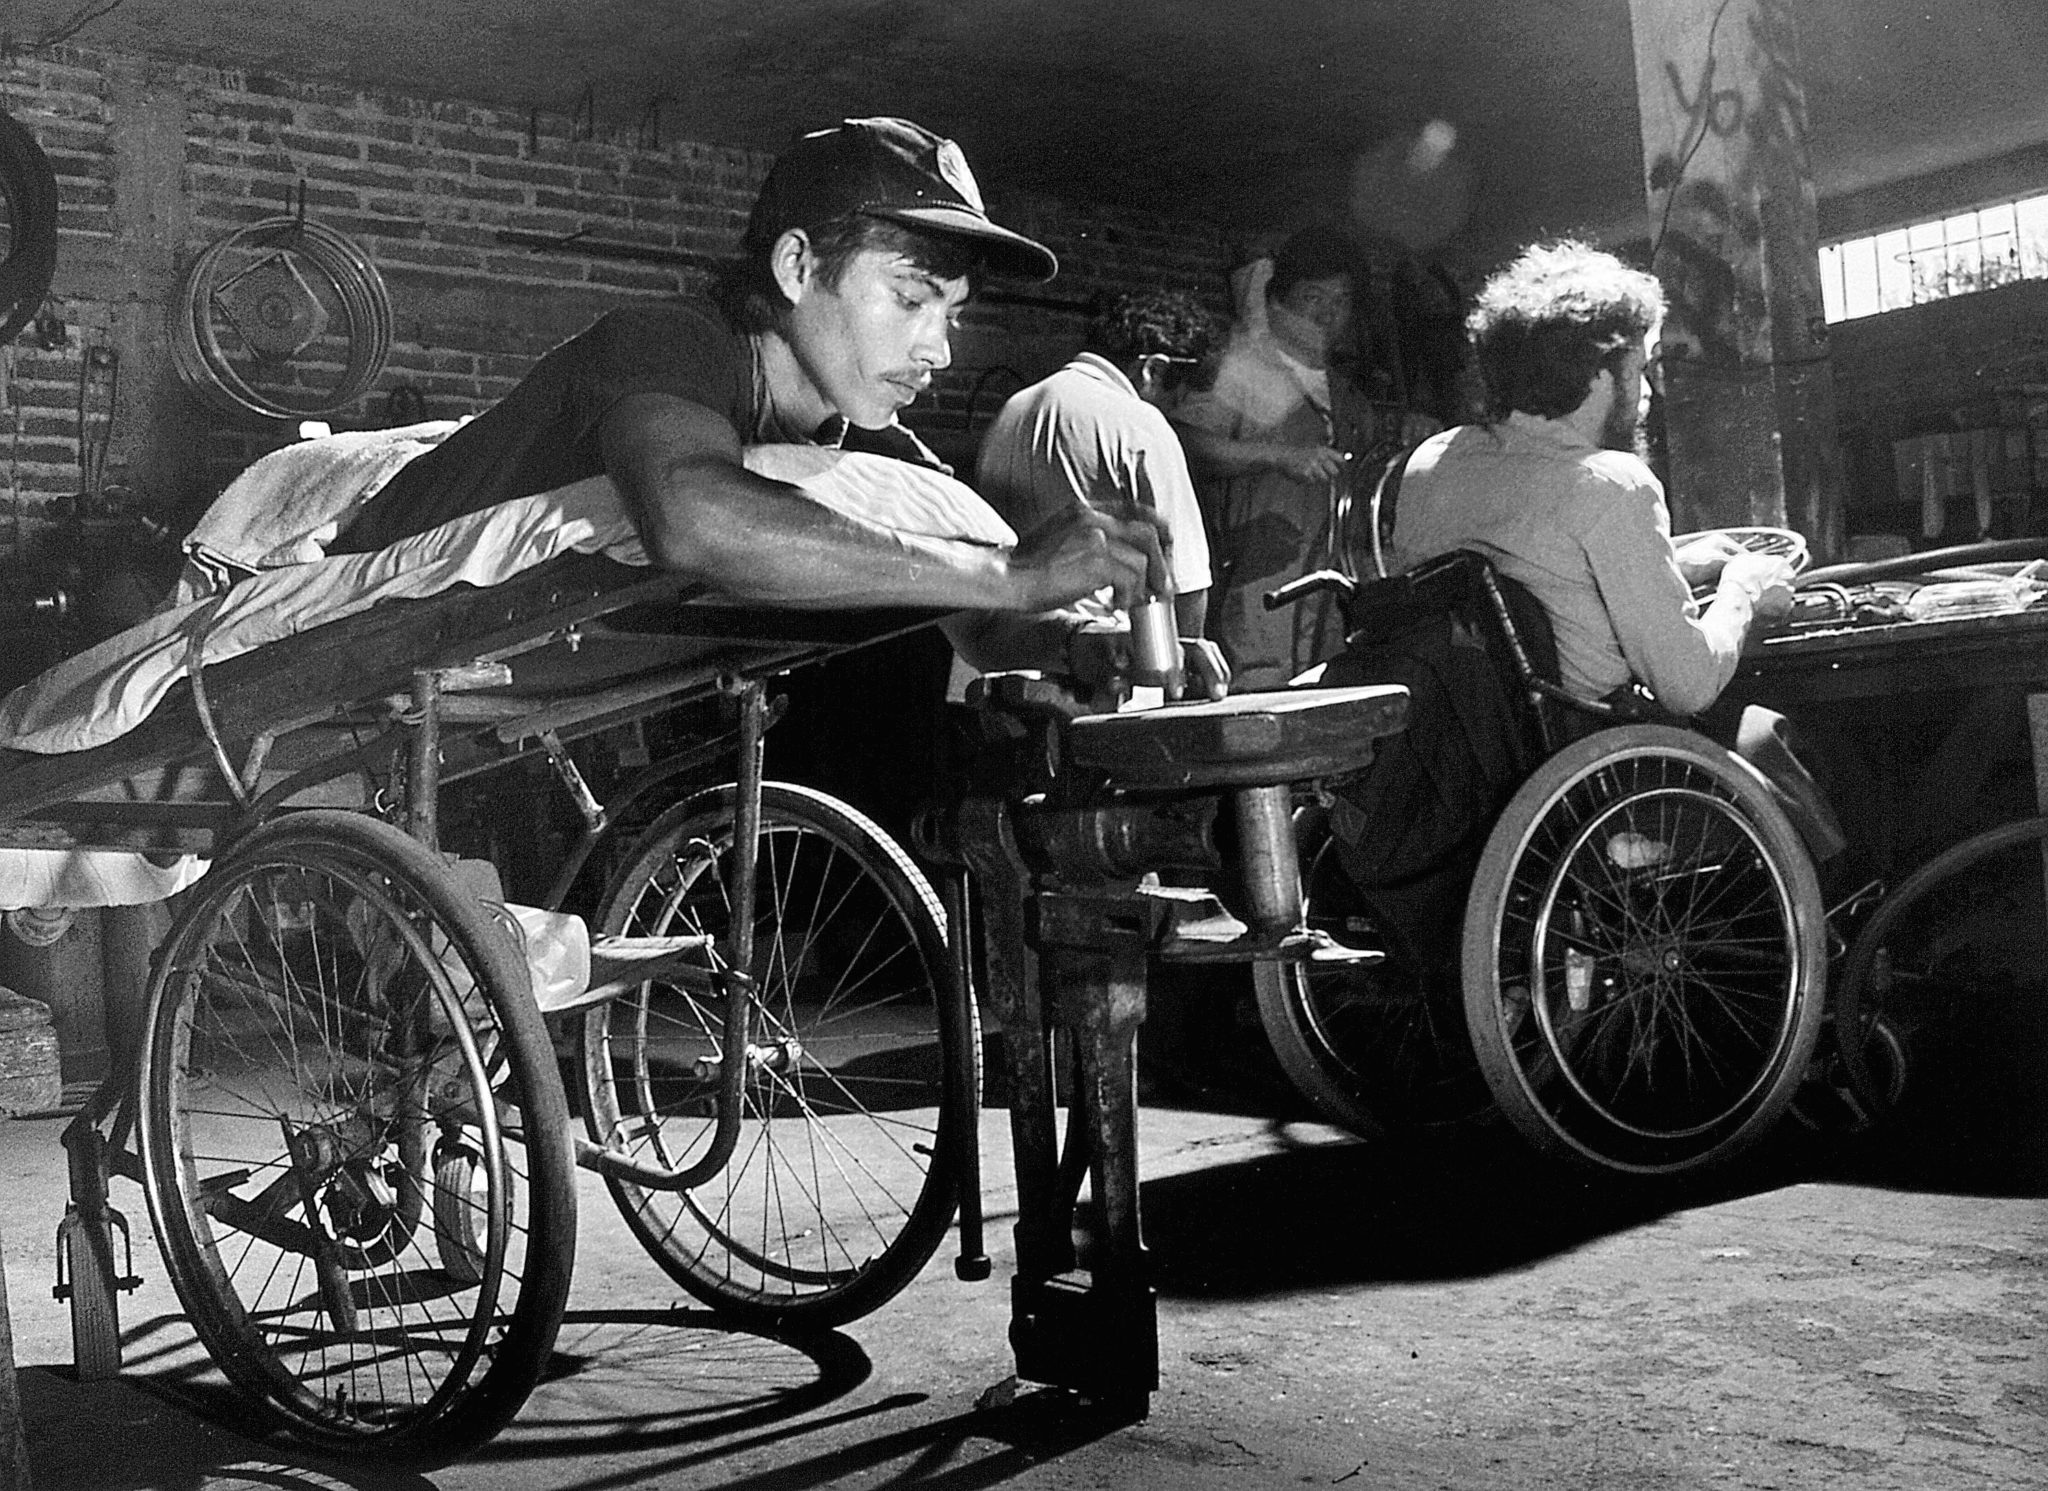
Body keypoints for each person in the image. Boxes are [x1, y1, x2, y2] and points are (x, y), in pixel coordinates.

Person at [329, 116, 1212, 691]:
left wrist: (1073, 638)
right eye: (909, 300)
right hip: (355, 625)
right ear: (796, 268)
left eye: (952, 313)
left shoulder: (859, 442)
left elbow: (975, 615)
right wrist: (1017, 572)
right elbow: (691, 516)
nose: (938, 348)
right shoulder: (667, 342)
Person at [1384, 237, 1842, 857]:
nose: (1648, 388)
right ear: (1601, 374)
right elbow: (1687, 684)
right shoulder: (1610, 484)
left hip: (1476, 768)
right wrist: (1742, 589)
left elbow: (1531, 567)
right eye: (1642, 366)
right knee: (1782, 741)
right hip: (1597, 766)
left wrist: (1677, 557)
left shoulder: (1434, 462)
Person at [1170, 225, 1376, 690]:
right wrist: (1277, 456)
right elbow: (1185, 443)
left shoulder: (1350, 399)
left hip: (1331, 613)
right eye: (1313, 297)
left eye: (1340, 300)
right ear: (1280, 299)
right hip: (1254, 601)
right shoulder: (1245, 372)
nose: (1327, 312)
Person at [973, 288, 1219, 643]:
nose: (1173, 409)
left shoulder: (1013, 408)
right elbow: (1186, 580)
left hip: (1007, 646)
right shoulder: (1139, 422)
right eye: (1176, 397)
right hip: (1099, 657)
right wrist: (1184, 670)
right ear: (1153, 369)